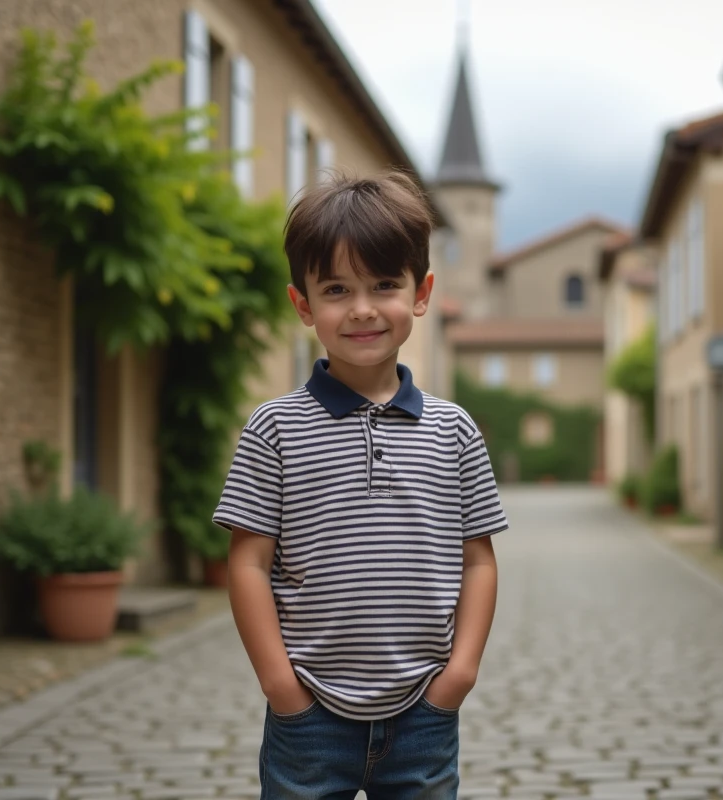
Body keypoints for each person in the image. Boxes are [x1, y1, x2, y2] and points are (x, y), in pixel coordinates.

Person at [212, 169, 508, 798]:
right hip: (309, 714)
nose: (364, 308)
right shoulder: (275, 429)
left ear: (421, 292)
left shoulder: (454, 431)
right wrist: (279, 688)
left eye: (384, 285)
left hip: (424, 711)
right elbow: (247, 562)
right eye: (337, 289)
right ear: (303, 305)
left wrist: (460, 675)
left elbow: (478, 560)